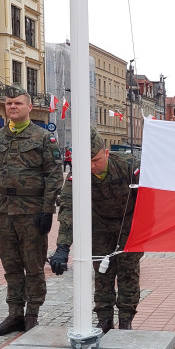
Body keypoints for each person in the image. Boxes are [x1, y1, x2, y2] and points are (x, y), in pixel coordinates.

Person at [0, 85, 64, 336]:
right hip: (5, 211)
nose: (12, 107)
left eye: (17, 103)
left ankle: (32, 315)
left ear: (29, 107)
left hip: (32, 212)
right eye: (9, 103)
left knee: (34, 266)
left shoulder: (43, 137)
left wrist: (47, 210)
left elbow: (54, 175)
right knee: (11, 265)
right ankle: (15, 314)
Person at [50, 128, 143, 332]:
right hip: (99, 227)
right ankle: (104, 320)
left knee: (128, 273)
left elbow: (149, 198)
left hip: (129, 226)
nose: (91, 166)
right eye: (87, 161)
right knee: (102, 273)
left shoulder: (129, 166)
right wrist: (63, 246)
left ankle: (126, 320)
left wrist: (145, 231)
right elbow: (69, 207)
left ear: (106, 153)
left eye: (96, 160)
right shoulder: (78, 174)